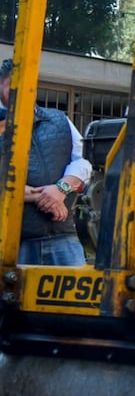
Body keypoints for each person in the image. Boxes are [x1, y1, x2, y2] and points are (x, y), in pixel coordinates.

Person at [0, 58, 91, 266]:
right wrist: (44, 196)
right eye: (13, 87)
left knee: (70, 299)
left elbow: (84, 162)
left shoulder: (58, 120)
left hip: (62, 237)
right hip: (11, 240)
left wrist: (60, 189)